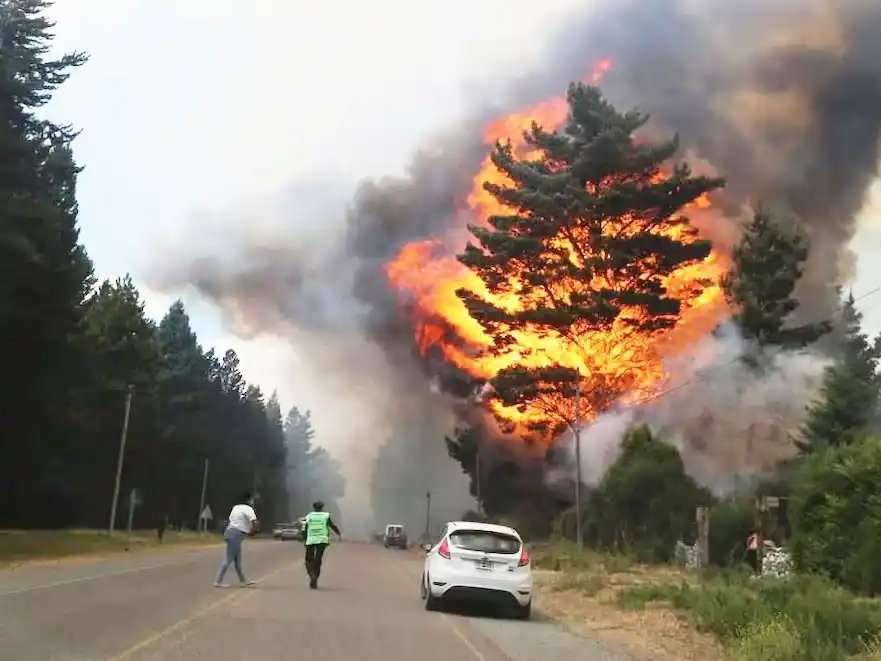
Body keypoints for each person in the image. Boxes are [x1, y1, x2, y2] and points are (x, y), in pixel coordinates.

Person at [214, 492, 259, 587]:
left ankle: (243, 581)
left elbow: (232, 520)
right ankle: (218, 581)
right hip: (236, 534)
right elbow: (255, 522)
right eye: (252, 500)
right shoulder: (248, 509)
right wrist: (253, 531)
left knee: (237, 560)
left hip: (230, 532)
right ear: (248, 500)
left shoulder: (236, 507)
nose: (252, 501)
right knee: (229, 558)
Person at [302, 500, 341, 589]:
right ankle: (315, 576)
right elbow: (332, 525)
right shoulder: (325, 516)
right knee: (318, 559)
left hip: (311, 539)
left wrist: (304, 539)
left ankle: (311, 575)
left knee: (308, 559)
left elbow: (304, 528)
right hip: (322, 540)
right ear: (322, 508)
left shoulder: (309, 516)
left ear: (314, 507)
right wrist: (338, 533)